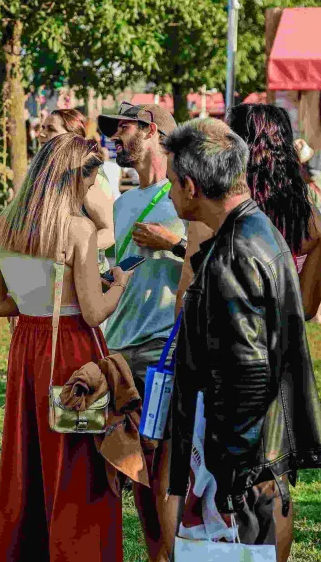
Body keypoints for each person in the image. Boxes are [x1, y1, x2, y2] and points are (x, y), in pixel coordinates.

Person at [163, 119, 321, 561]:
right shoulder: (251, 229)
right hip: (254, 453)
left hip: (240, 461)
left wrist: (235, 476)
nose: (169, 194)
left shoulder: (233, 255)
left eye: (171, 184)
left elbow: (249, 373)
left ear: (191, 185)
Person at [0, 134, 132, 561]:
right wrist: (118, 285)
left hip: (26, 345)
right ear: (76, 174)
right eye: (93, 174)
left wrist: (34, 299)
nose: (94, 185)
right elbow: (92, 312)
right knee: (77, 462)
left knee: (25, 456)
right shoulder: (78, 228)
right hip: (70, 349)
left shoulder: (5, 224)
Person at [96, 100, 206, 560]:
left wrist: (173, 243)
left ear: (153, 132)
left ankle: (173, 553)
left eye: (124, 128)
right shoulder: (122, 202)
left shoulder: (186, 193)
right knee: (132, 465)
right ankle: (154, 554)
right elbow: (119, 268)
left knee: (166, 466)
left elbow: (208, 262)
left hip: (164, 346)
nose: (115, 138)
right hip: (118, 346)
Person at [227, 105, 321, 320]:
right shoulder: (309, 218)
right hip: (279, 345)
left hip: (224, 340)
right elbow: (307, 308)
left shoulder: (220, 207)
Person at [42, 109, 115, 252]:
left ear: (72, 136)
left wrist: (69, 252)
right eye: (42, 127)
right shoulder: (44, 171)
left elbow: (109, 233)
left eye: (50, 129)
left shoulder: (88, 173)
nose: (42, 134)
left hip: (85, 271)